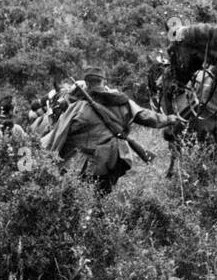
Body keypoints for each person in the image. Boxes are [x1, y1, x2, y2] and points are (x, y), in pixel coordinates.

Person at [43, 67, 183, 192]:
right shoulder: (123, 102)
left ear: (87, 84)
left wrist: (41, 151)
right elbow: (145, 116)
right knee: (102, 195)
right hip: (113, 160)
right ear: (104, 82)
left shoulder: (77, 107)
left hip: (82, 165)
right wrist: (169, 119)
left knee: (76, 197)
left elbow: (58, 134)